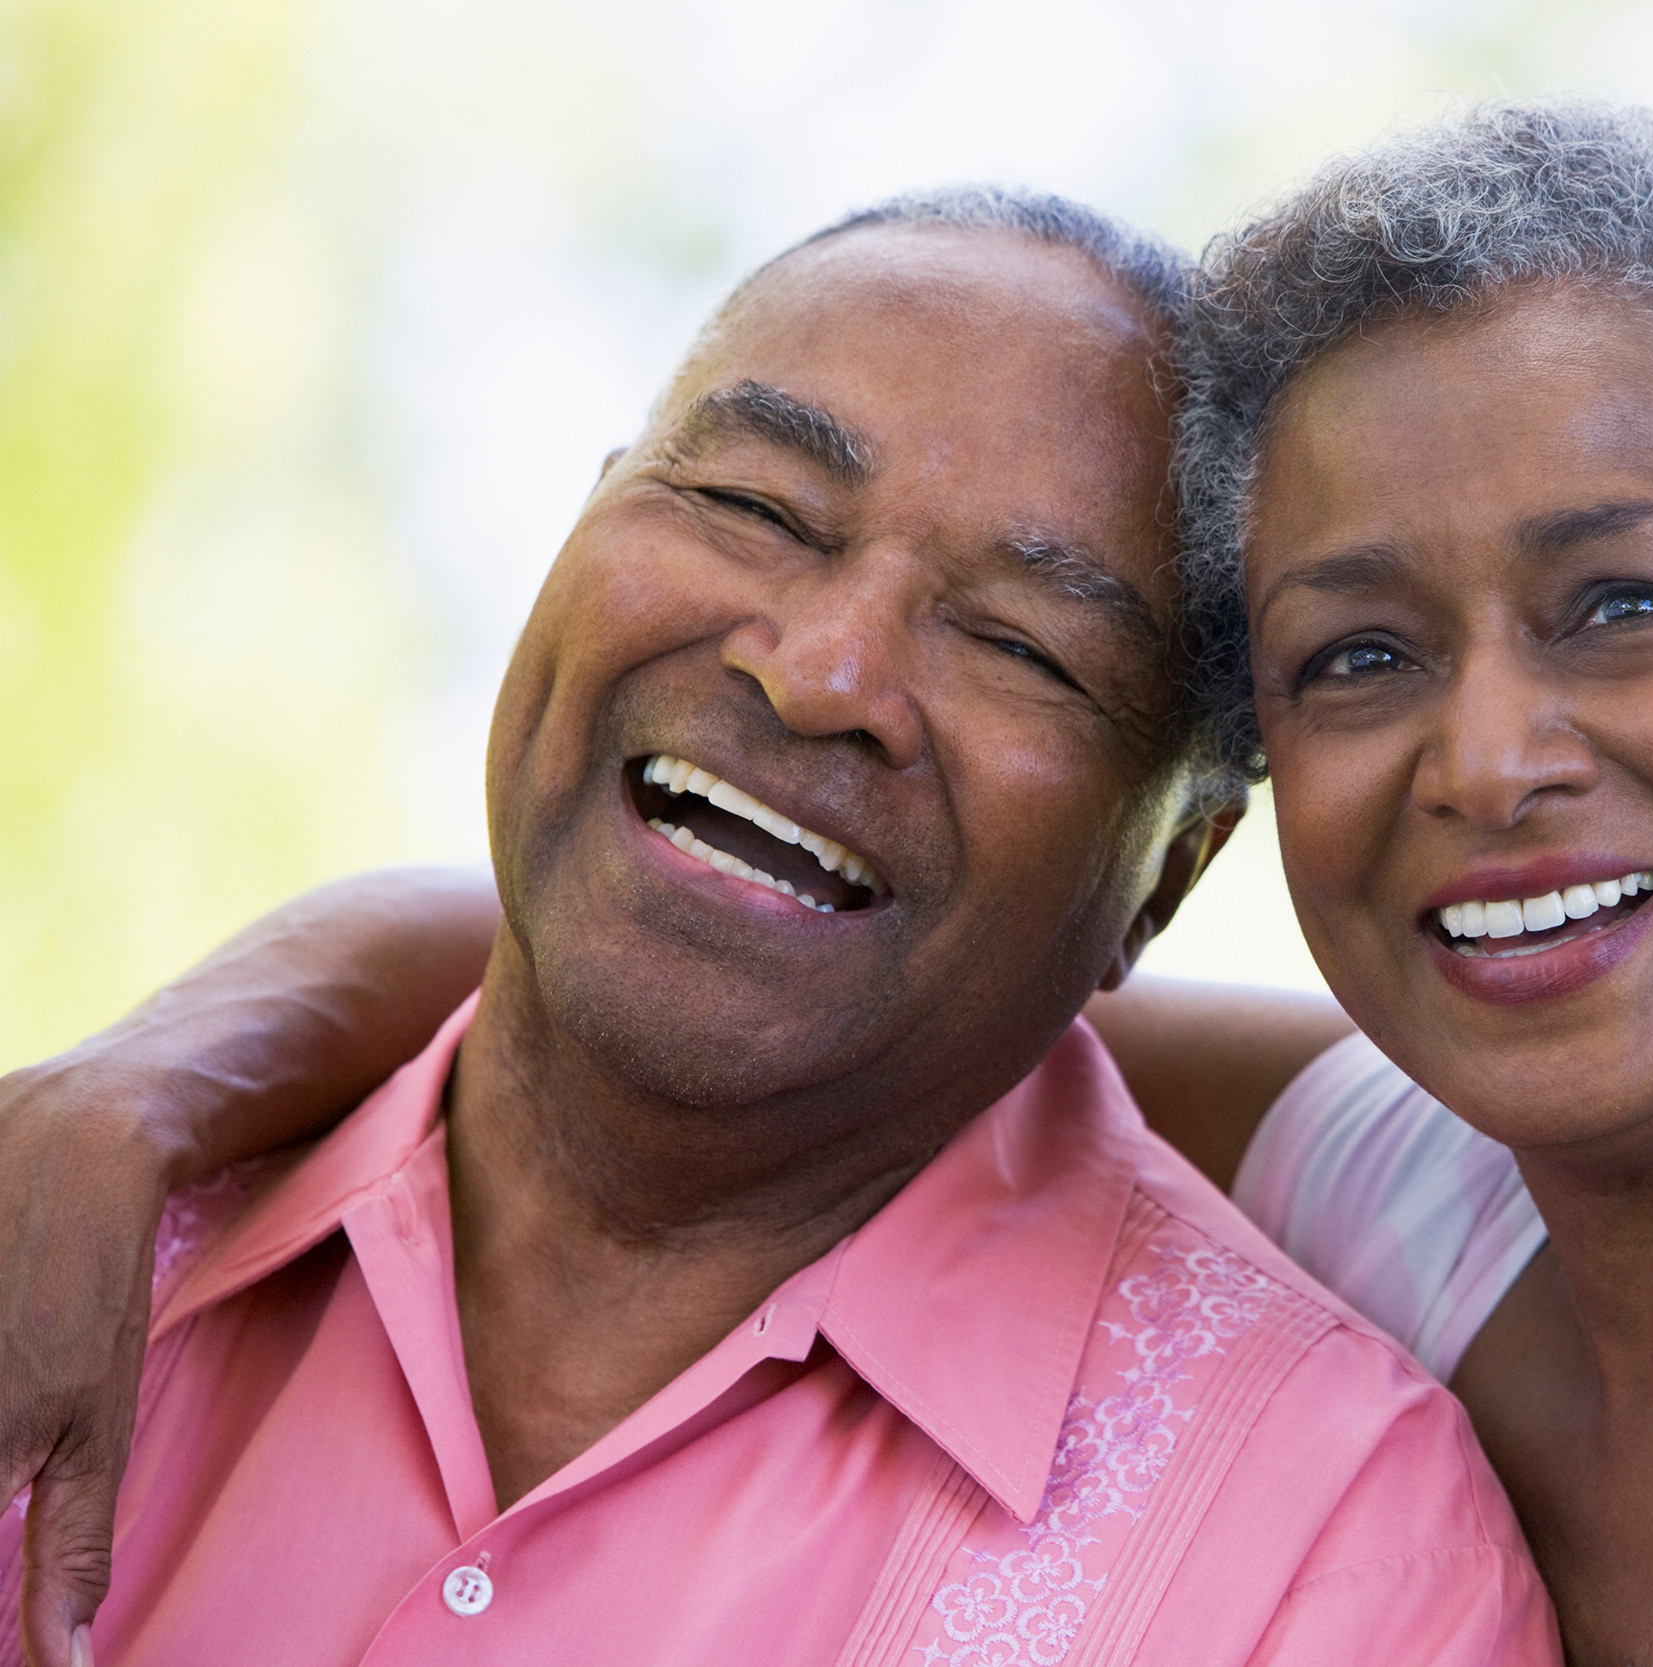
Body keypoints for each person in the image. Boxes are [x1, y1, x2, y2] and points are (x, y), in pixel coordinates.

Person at [10, 101, 1653, 1667]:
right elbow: (739, 957)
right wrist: (131, 1091)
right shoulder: (1410, 1169)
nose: (1490, 752)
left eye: (1626, 601)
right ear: (1233, 830)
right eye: (1357, 653)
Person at [0, 186, 1556, 1667]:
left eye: (1022, 641)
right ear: (583, 521)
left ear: (1164, 878)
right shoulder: (74, 1240)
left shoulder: (1325, 1562)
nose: (822, 672)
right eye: (753, 503)